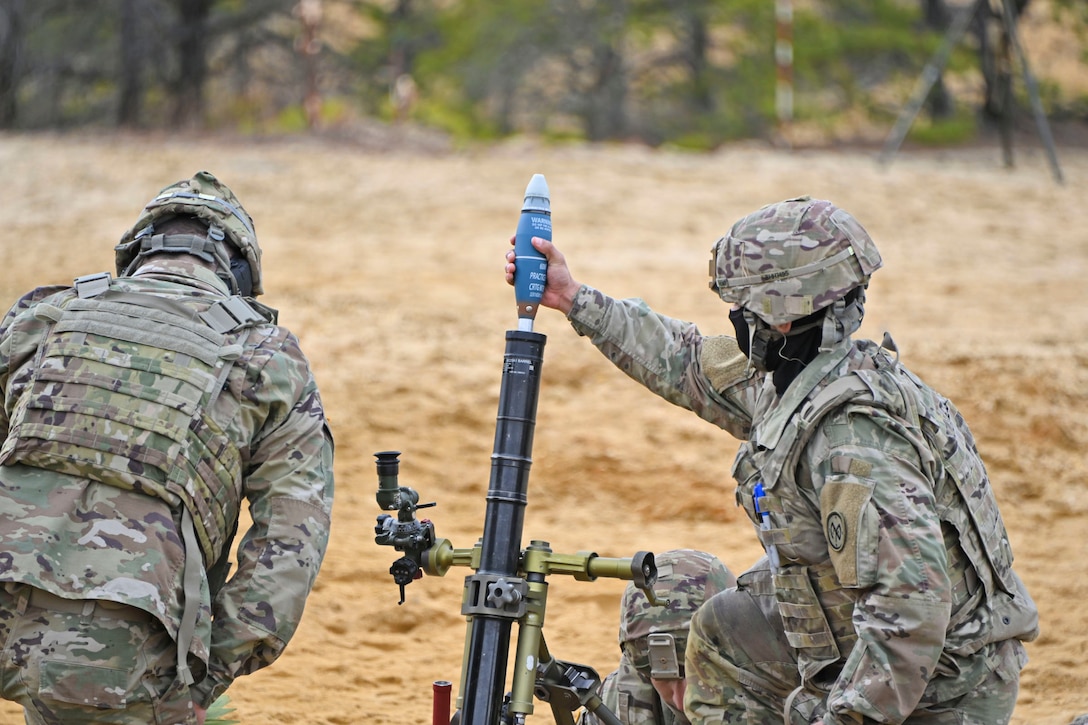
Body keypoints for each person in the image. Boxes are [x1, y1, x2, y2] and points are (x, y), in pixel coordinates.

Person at [505, 196, 1039, 725]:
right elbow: (685, 359)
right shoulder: (800, 377)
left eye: (743, 306)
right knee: (721, 630)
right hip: (865, 638)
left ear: (781, 316)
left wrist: (839, 717)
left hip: (944, 688)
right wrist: (574, 298)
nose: (736, 318)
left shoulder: (853, 441)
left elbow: (910, 615)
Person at [0, 171, 335, 724]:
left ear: (135, 252)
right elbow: (288, 548)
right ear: (240, 269)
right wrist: (205, 680)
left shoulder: (41, 317)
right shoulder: (268, 358)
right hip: (137, 659)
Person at [579, 549, 736, 725]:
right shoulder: (609, 704)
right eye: (662, 677)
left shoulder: (768, 698)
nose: (680, 698)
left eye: (695, 675)